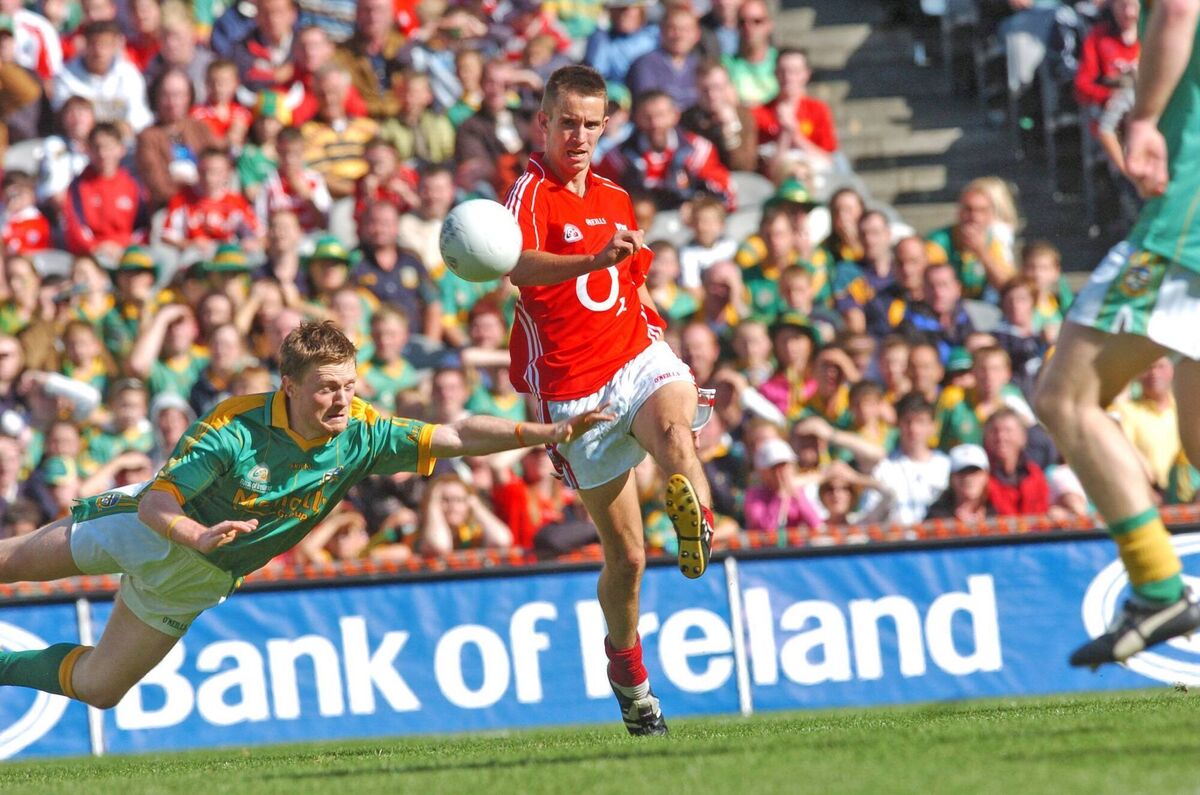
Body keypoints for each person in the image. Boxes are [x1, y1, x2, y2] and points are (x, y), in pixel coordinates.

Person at [0, 320, 606, 711]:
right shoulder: (232, 426)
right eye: (325, 387)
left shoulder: (362, 431)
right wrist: (197, 533)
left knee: (101, 689)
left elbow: (453, 433)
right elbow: (160, 500)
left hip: (199, 577)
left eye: (347, 383)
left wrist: (544, 430)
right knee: (10, 564)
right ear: (288, 384)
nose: (341, 398)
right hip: (140, 528)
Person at [504, 64, 716, 736]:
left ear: (604, 126)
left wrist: (656, 327)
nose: (578, 136)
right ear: (544, 122)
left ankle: (699, 521)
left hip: (636, 355)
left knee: (678, 434)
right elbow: (519, 267)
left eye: (591, 124)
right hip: (573, 392)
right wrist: (593, 261)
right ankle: (628, 673)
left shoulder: (618, 198)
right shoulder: (527, 193)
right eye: (567, 122)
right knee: (625, 558)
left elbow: (633, 279)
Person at [1033, 0, 1200, 669]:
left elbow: (1180, 8)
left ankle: (1158, 585)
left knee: (1063, 398)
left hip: (1184, 223)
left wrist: (1145, 118)